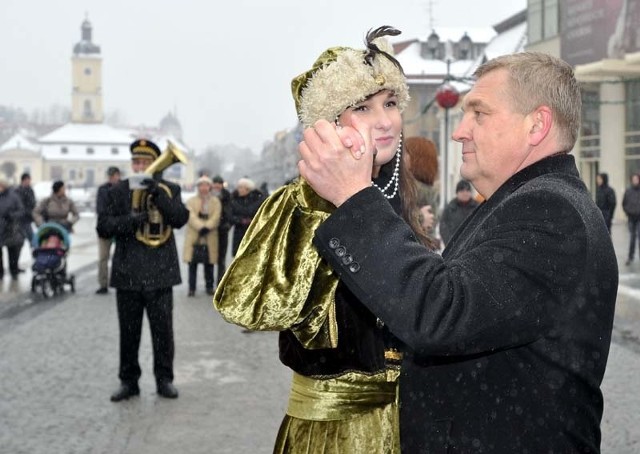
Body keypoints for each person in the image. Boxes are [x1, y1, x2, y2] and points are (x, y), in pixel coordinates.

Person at [298, 51, 618, 452]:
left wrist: (353, 197)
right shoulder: (523, 201)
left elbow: (440, 313)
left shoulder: (550, 211)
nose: (459, 131)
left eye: (479, 114)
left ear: (537, 124)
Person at [215, 26, 433, 453]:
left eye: (390, 103)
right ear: (329, 122)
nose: (384, 120)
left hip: (408, 421)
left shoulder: (397, 191)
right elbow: (245, 305)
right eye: (363, 108)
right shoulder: (297, 202)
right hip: (337, 431)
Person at [97, 139, 189, 402]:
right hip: (127, 274)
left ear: (155, 164)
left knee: (163, 333)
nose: (140, 166)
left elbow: (180, 219)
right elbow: (103, 226)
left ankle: (164, 380)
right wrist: (131, 221)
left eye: (145, 162)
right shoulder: (118, 191)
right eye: (136, 162)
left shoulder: (169, 188)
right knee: (128, 333)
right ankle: (129, 382)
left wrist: (159, 196)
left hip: (160, 273)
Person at [183, 175, 221, 297]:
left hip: (210, 235)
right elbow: (190, 215)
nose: (204, 188)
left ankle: (209, 286)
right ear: (198, 187)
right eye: (201, 185)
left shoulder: (215, 201)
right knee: (192, 263)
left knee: (209, 263)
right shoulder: (191, 201)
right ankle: (191, 288)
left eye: (206, 185)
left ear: (210, 187)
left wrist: (208, 226)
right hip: (195, 234)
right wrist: (200, 226)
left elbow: (216, 216)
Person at [404, 136, 439, 237]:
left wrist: (419, 218)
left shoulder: (412, 189)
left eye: (406, 153)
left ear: (416, 158)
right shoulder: (428, 191)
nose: (401, 158)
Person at [95, 166, 121, 294]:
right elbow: (101, 209)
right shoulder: (102, 189)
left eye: (114, 175)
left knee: (121, 257)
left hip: (120, 228)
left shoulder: (123, 188)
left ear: (118, 175)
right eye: (110, 176)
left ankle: (120, 282)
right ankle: (103, 284)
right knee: (103, 258)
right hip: (105, 228)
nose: (112, 178)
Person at [229, 177, 264, 257]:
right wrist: (240, 220)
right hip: (239, 232)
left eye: (241, 187)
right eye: (238, 187)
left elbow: (261, 214)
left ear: (248, 189)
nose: (239, 189)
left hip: (253, 231)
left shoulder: (257, 199)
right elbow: (230, 216)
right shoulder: (234, 199)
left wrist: (252, 220)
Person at [438, 179, 479, 246]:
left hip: (473, 246)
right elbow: (443, 226)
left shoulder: (477, 207)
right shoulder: (450, 208)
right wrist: (450, 243)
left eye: (467, 190)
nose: (465, 193)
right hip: (454, 247)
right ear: (457, 193)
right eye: (462, 190)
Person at [0, 178, 25, 280]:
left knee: (12, 251)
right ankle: (0, 273)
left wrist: (12, 215)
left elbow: (21, 211)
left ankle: (13, 271)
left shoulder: (13, 197)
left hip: (10, 228)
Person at [211, 175, 232, 286]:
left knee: (221, 258)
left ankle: (220, 282)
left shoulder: (227, 195)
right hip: (210, 230)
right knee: (209, 257)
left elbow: (229, 211)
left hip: (222, 230)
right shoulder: (209, 193)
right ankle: (209, 283)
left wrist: (226, 223)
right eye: (215, 183)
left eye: (219, 183)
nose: (217, 186)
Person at [14, 173, 36, 261]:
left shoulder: (30, 190)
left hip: (28, 220)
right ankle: (15, 264)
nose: (29, 182)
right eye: (28, 180)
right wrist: (25, 211)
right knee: (19, 243)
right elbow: (18, 205)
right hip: (20, 221)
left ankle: (37, 260)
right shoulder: (18, 191)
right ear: (24, 180)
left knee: (33, 241)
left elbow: (33, 203)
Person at [622, 173, 640, 265]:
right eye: (633, 179)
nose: (635, 181)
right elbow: (624, 203)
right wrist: (627, 212)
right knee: (632, 238)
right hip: (631, 217)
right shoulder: (628, 191)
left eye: (636, 179)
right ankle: (630, 256)